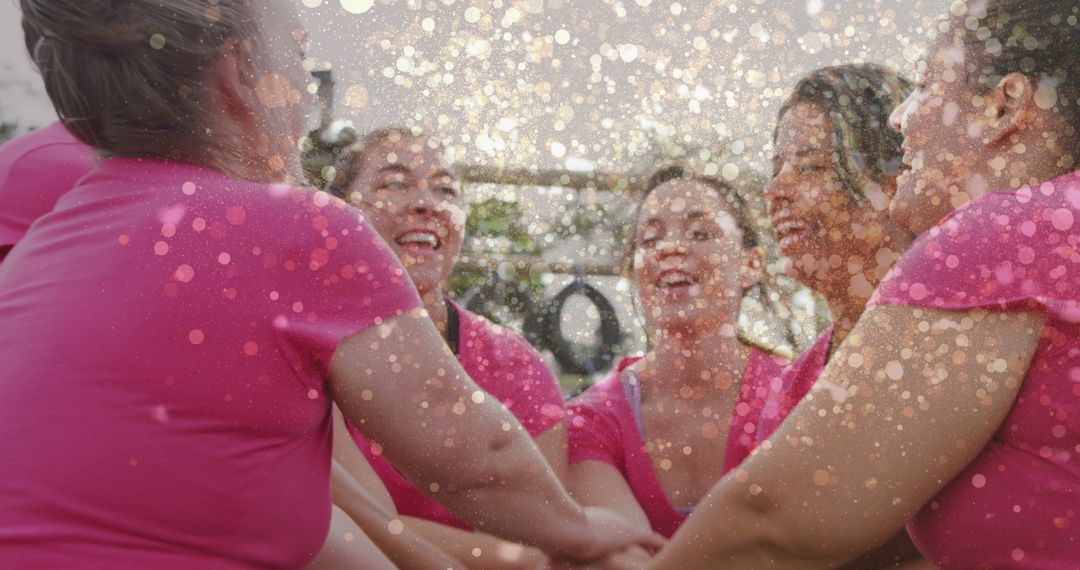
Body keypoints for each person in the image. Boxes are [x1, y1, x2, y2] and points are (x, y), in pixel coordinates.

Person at [0, 1, 660, 568]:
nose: (311, 98)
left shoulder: (47, 246)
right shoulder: (289, 226)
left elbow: (316, 529)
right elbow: (470, 451)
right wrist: (579, 534)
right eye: (297, 60)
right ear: (239, 76)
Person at [651, 0, 1080, 567]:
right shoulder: (1052, 226)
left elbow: (773, 522)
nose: (901, 118)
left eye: (926, 85)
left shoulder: (1006, 235)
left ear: (1006, 106)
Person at [327, 127, 568, 569]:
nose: (426, 203)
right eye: (394, 183)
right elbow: (337, 524)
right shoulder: (308, 345)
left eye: (445, 190)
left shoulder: (514, 365)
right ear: (342, 210)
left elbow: (545, 539)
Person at [565, 165, 789, 538]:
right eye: (650, 240)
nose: (669, 248)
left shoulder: (800, 398)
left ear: (751, 265)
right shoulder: (591, 421)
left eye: (700, 233)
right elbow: (628, 558)